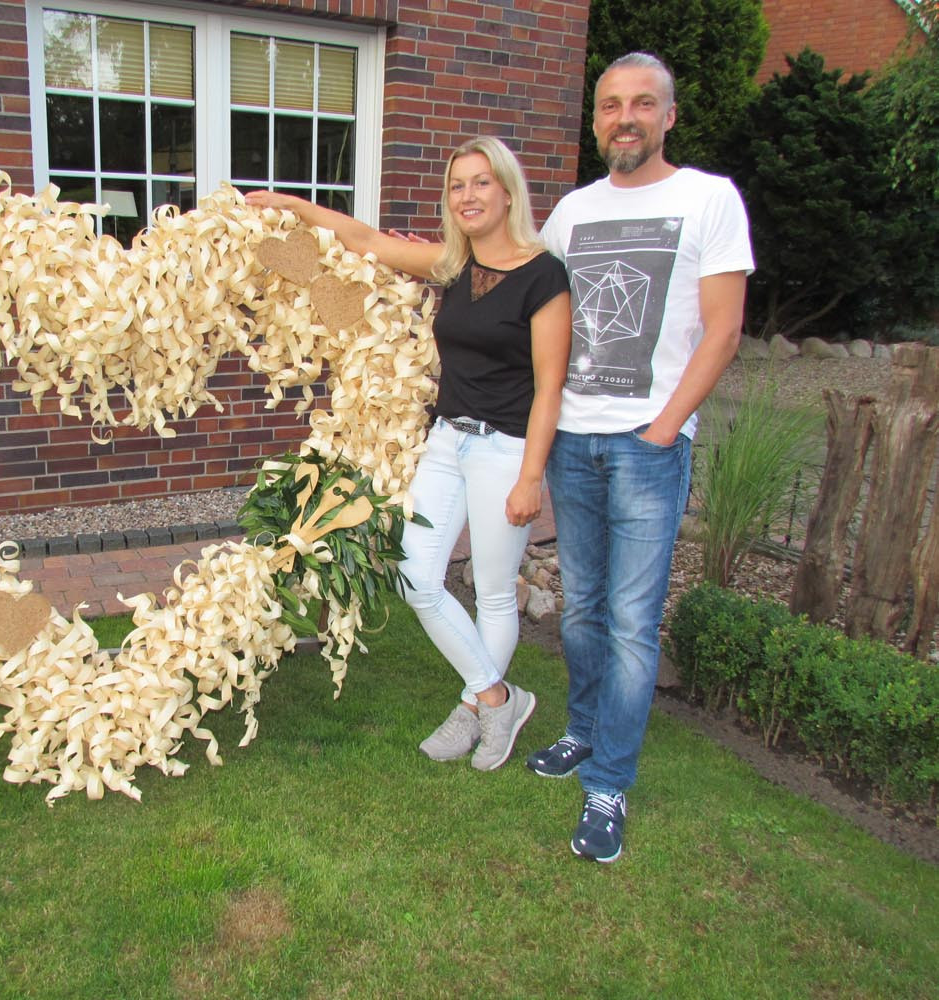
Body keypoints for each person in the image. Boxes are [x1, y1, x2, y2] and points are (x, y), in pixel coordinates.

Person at [246, 137, 571, 772]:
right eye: (457, 186)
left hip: (505, 449)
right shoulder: (452, 267)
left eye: (481, 182)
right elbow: (364, 241)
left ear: (507, 191)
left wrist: (532, 475)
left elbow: (550, 385)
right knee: (417, 574)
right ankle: (498, 696)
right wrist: (286, 203)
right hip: (448, 441)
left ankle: (477, 710)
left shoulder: (544, 274)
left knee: (496, 593)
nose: (468, 195)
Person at [530, 52, 754, 862]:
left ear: (668, 115)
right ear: (594, 120)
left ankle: (608, 785)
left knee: (629, 622)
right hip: (571, 439)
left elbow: (722, 329)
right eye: (610, 105)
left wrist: (664, 428)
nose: (624, 117)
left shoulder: (707, 199)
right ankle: (582, 733)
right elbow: (518, 284)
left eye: (641, 104)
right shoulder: (571, 212)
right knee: (583, 607)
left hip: (646, 446)